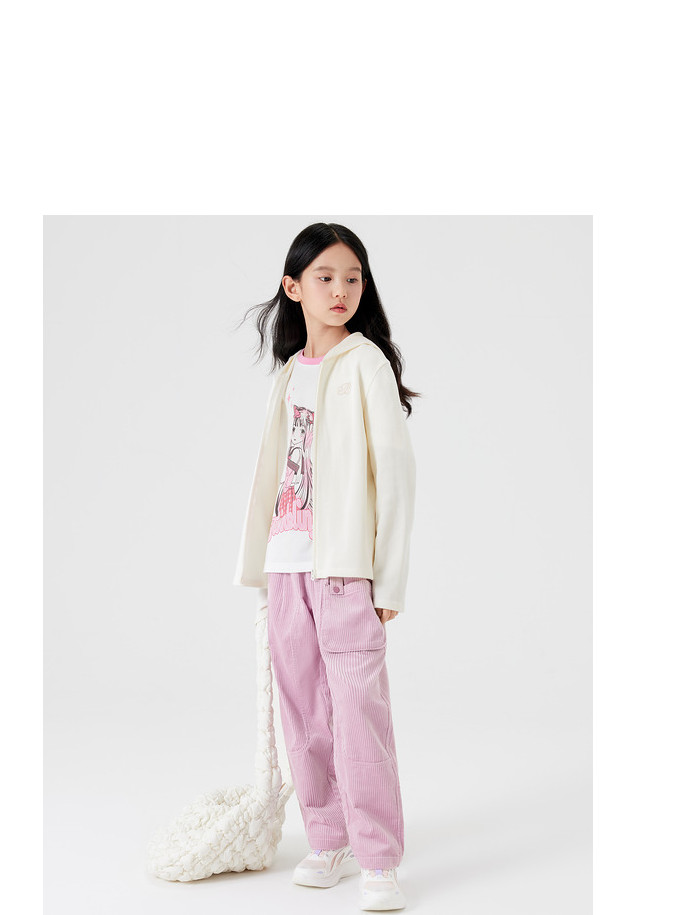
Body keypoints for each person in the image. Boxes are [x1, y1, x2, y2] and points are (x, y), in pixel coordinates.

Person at [233, 222, 419, 911]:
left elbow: (394, 475)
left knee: (358, 713)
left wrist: (387, 576)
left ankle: (379, 858)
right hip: (287, 567)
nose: (341, 289)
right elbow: (275, 470)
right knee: (304, 713)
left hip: (344, 572)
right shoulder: (290, 372)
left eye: (352, 277)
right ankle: (328, 838)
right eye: (325, 277)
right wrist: (261, 566)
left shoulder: (366, 363)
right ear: (293, 287)